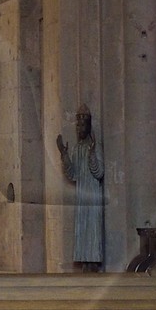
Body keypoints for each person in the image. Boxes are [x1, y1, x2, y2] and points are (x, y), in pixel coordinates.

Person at [56, 103, 105, 271]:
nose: (79, 129)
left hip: (92, 194)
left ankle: (93, 261)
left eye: (82, 125)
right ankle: (85, 260)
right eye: (77, 125)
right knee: (82, 228)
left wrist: (92, 155)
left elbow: (99, 173)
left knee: (92, 228)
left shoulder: (95, 147)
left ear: (88, 126)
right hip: (81, 194)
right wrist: (64, 156)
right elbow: (73, 174)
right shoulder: (77, 149)